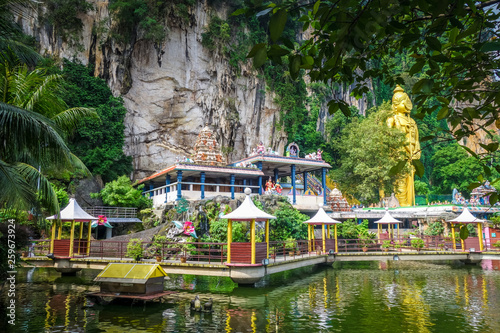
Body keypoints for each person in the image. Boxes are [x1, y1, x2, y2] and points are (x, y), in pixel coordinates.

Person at [387, 85, 421, 207]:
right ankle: (401, 204)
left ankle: (409, 203)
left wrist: (416, 152)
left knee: (409, 179)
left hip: (410, 155)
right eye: (403, 102)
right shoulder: (393, 120)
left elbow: (416, 140)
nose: (406, 105)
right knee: (400, 180)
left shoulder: (412, 122)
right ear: (395, 105)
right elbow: (388, 138)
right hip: (399, 154)